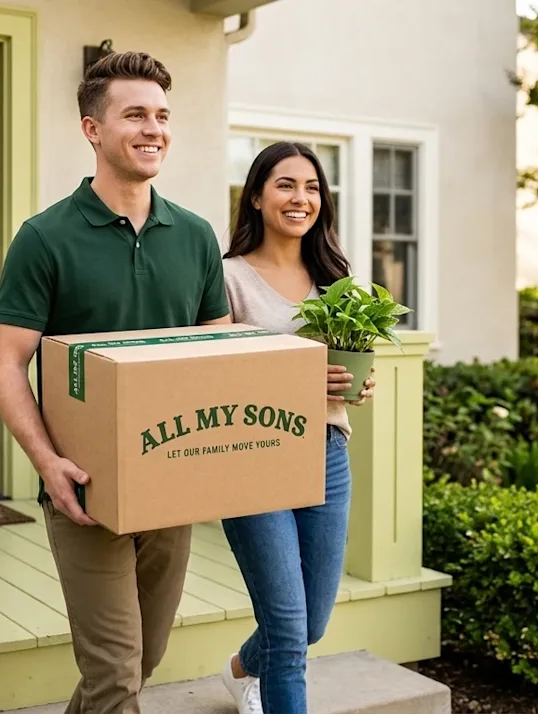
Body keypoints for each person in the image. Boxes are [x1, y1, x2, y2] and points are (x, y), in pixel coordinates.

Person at [0, 50, 232, 714]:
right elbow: (7, 364)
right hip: (85, 489)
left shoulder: (196, 237)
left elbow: (219, 358)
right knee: (117, 674)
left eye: (162, 116)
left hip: (171, 479)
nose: (154, 130)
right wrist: (48, 464)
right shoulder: (44, 238)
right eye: (135, 115)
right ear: (92, 130)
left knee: (141, 658)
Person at [217, 141, 376, 714]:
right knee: (288, 635)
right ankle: (265, 681)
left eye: (311, 188)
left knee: (311, 623)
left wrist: (358, 384)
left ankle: (241, 668)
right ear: (256, 197)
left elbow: (345, 366)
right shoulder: (228, 278)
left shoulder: (337, 280)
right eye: (285, 185)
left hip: (326, 452)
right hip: (252, 457)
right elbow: (212, 376)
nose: (300, 198)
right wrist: (299, 380)